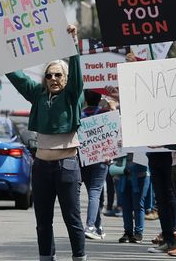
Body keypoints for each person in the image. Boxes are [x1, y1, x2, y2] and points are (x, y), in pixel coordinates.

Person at [1, 24, 87, 261]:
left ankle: (79, 257)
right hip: (41, 168)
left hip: (67, 166)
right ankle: (46, 258)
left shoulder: (72, 95)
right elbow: (18, 77)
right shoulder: (38, 95)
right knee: (43, 221)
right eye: (49, 75)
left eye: (58, 75)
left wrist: (73, 42)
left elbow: (77, 75)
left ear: (66, 78)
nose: (53, 79)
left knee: (72, 219)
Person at [80, 90, 111, 241]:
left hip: (85, 159)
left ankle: (98, 226)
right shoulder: (105, 114)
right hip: (101, 159)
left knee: (94, 194)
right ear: (100, 99)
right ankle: (91, 226)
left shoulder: (80, 115)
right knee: (95, 193)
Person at [115, 153, 149, 244]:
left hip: (141, 175)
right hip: (124, 176)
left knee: (138, 205)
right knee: (126, 206)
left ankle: (138, 233)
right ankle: (128, 232)